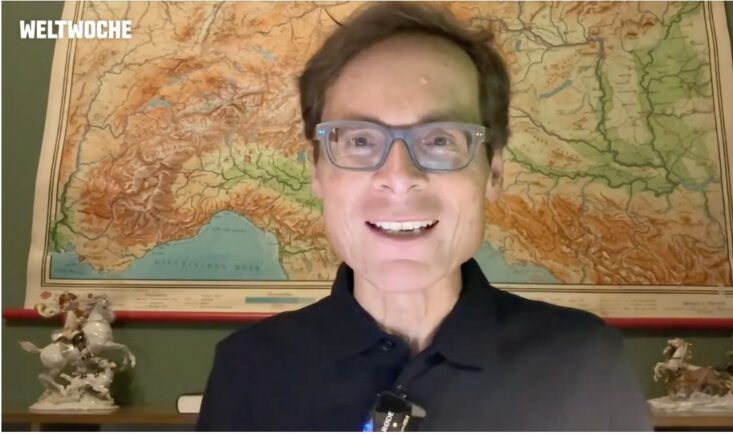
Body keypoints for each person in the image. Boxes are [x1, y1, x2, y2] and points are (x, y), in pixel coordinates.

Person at [197, 2, 651, 431]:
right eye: (359, 141)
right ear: (317, 172)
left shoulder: (584, 362)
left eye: (439, 140)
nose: (399, 178)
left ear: (492, 172)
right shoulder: (249, 369)